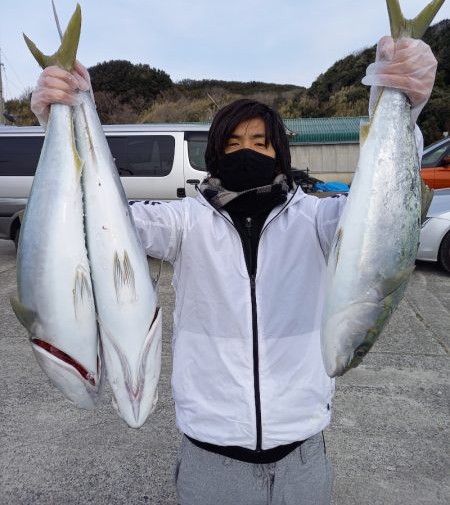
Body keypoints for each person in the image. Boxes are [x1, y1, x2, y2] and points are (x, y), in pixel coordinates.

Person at [30, 36, 437, 505]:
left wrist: (404, 108)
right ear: (215, 154)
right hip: (210, 457)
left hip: (302, 455)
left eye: (261, 143)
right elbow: (96, 223)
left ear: (280, 151)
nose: (248, 151)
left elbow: (384, 215)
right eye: (234, 142)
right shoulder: (184, 221)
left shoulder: (320, 220)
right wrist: (61, 123)